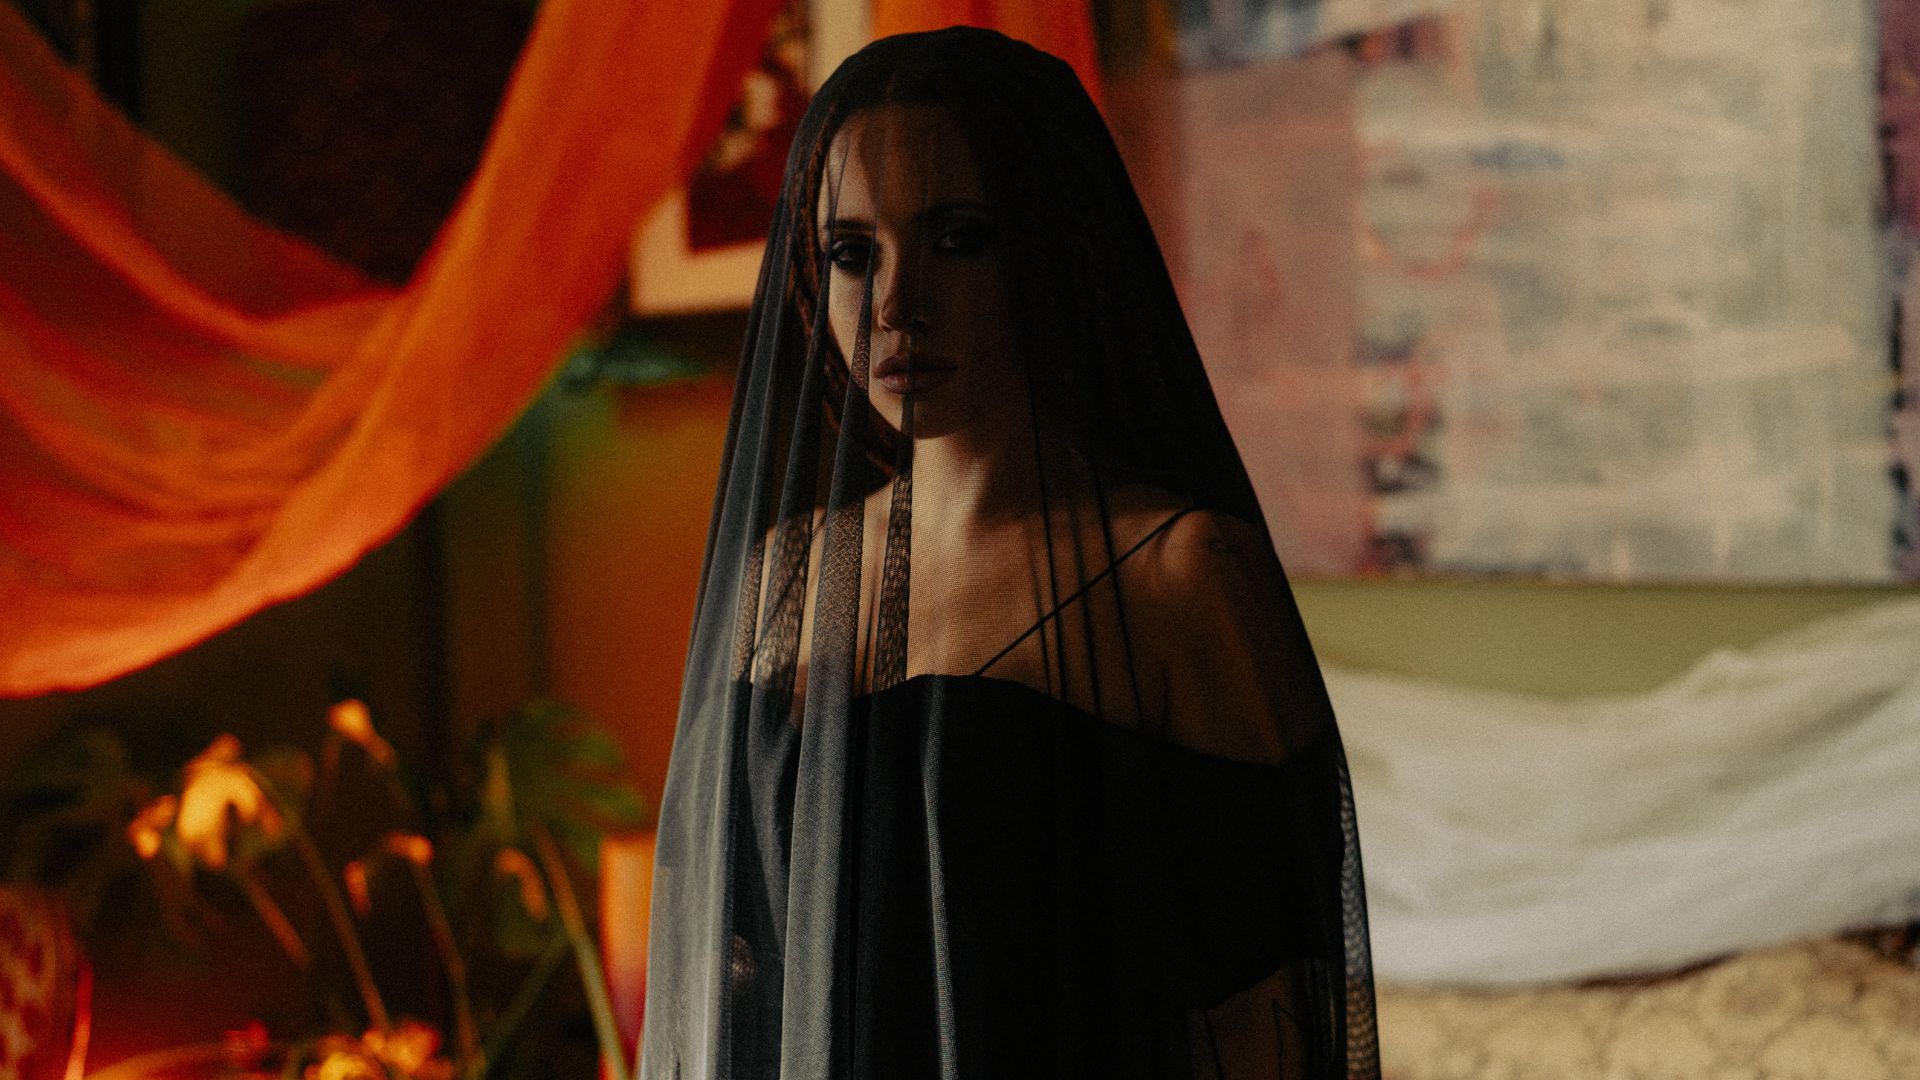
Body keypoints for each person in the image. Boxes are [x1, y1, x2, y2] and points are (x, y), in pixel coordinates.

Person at [639, 27, 1378, 1079]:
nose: (896, 306)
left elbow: (1263, 1014)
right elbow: (733, 977)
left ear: (1056, 252)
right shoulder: (787, 574)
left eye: (960, 239)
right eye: (852, 252)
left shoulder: (1182, 577)